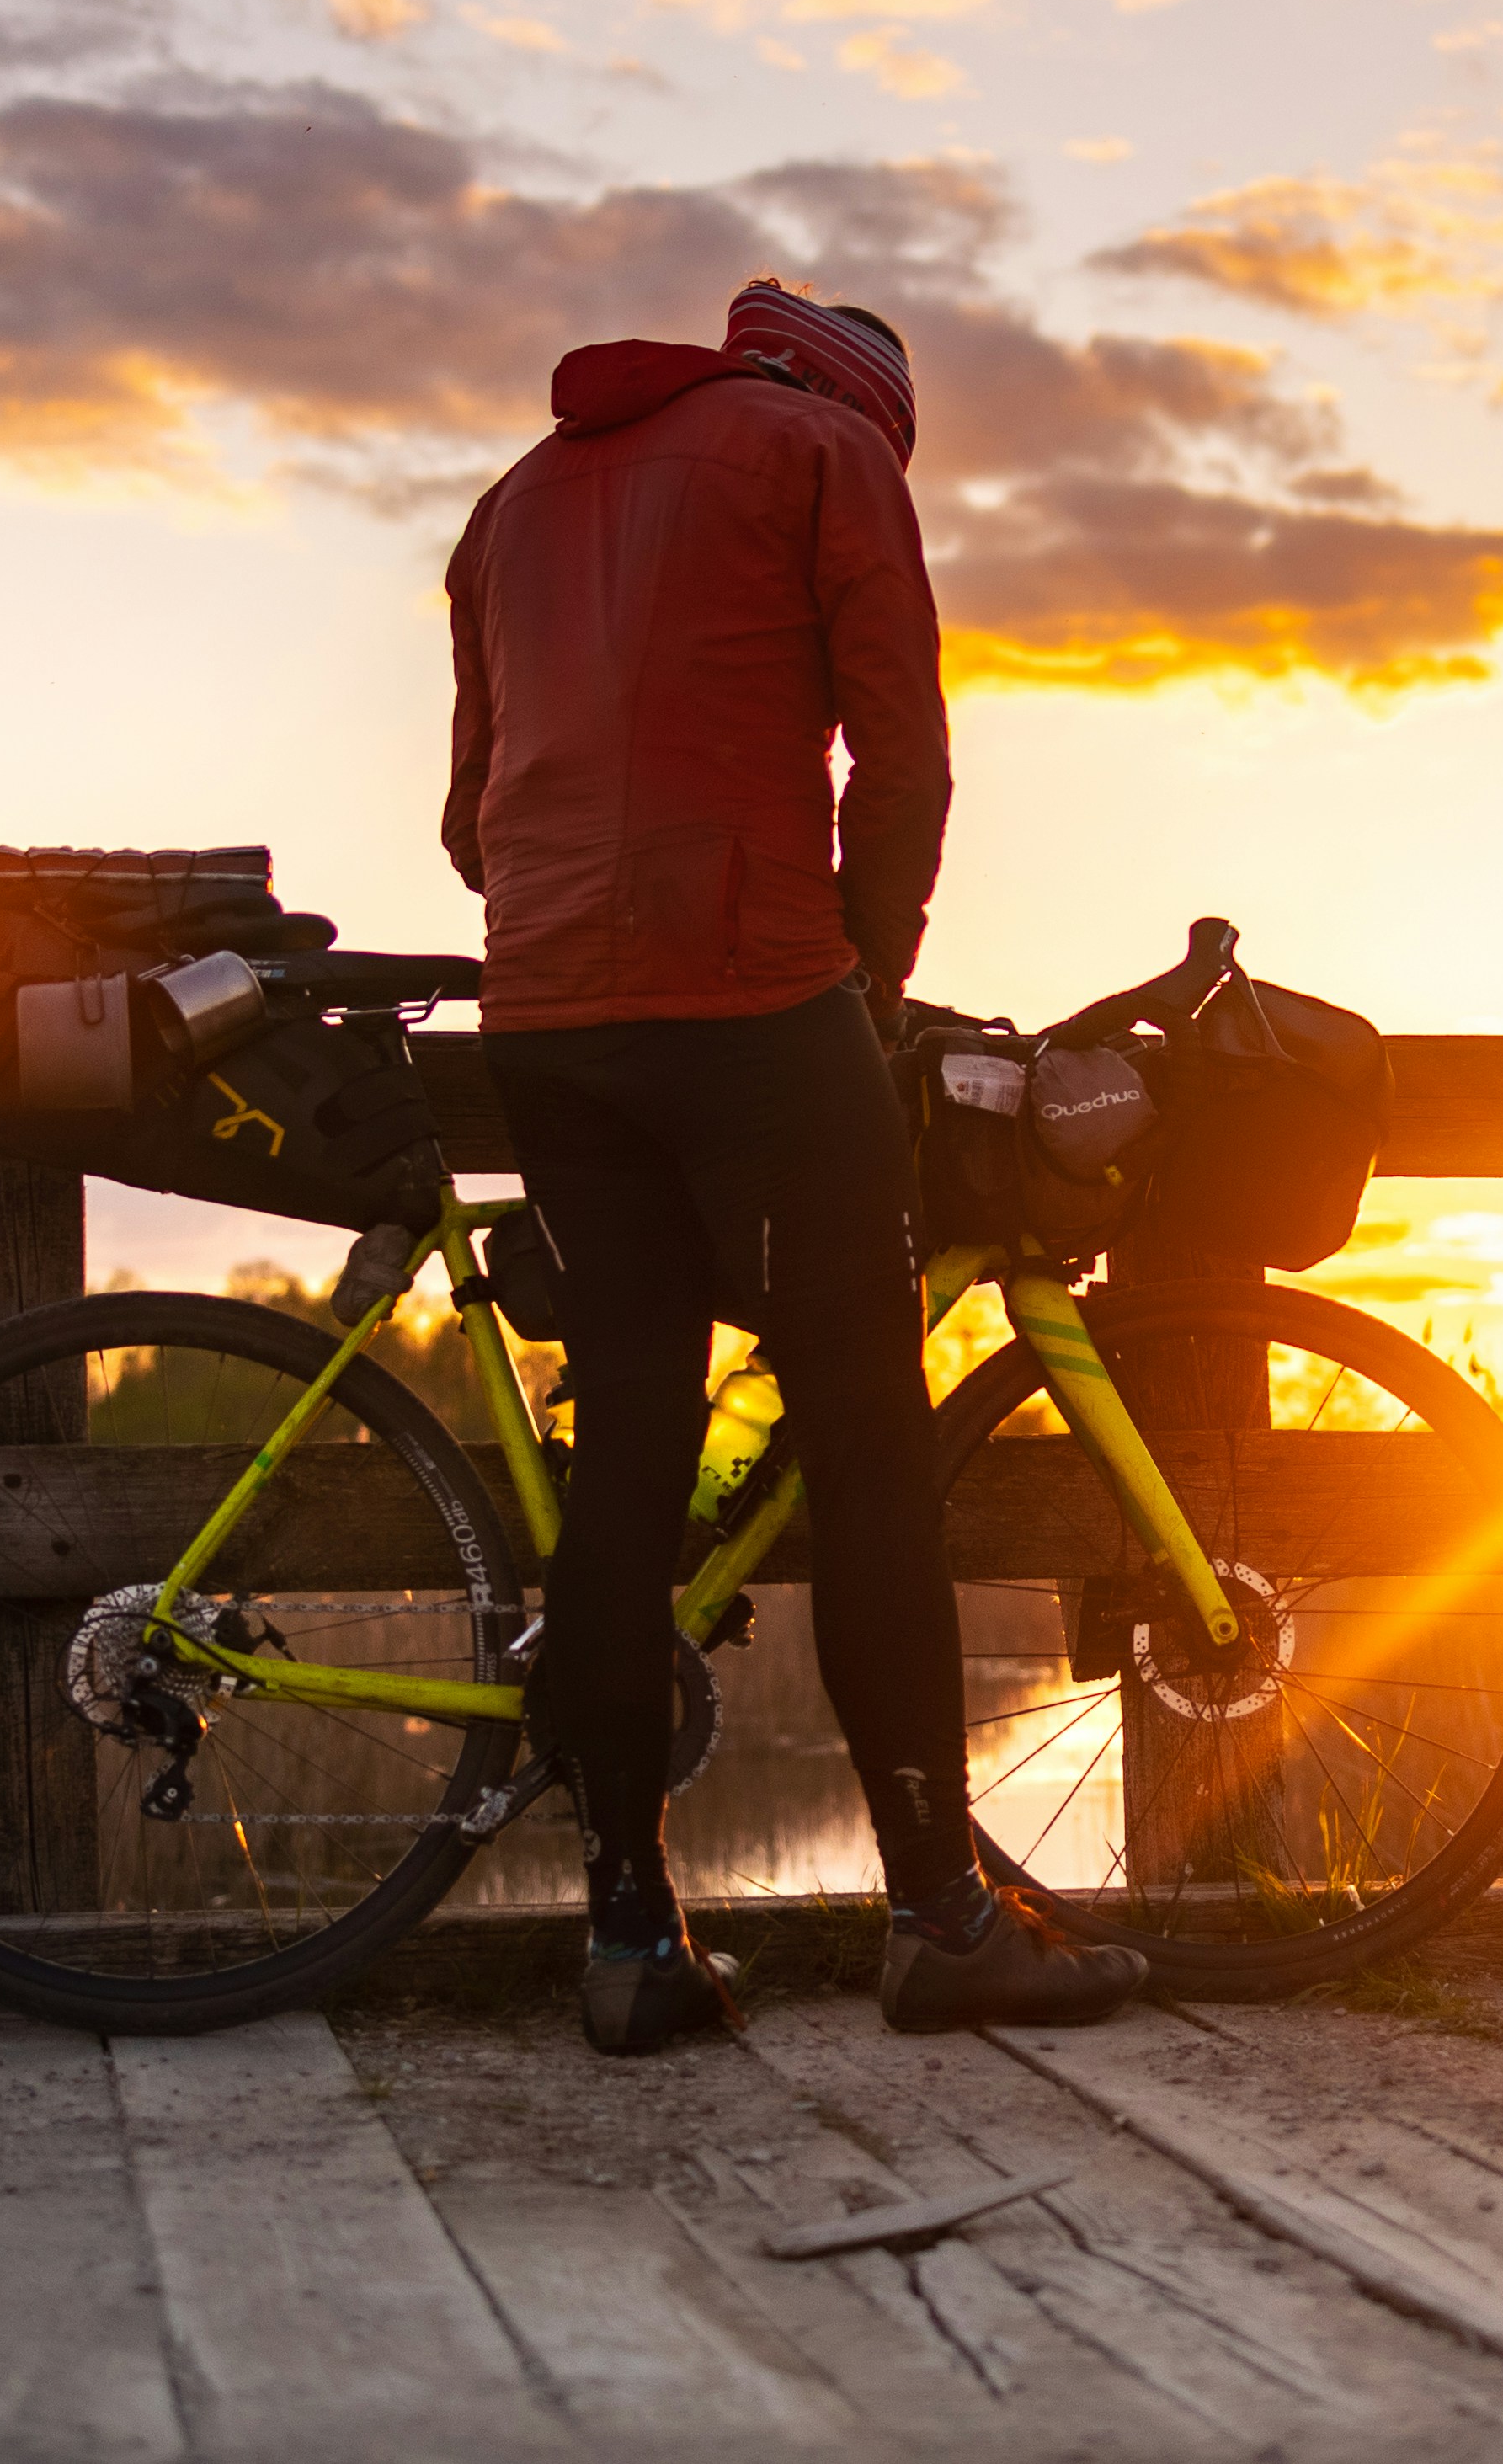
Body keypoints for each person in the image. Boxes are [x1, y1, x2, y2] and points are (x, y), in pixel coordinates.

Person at [443, 279, 1151, 2055]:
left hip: (544, 1016)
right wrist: (866, 977)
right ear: (871, 401)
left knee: (628, 1448)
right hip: (755, 993)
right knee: (866, 1440)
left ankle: (628, 1941)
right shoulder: (827, 450)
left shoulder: (513, 499)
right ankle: (938, 1915)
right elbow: (898, 753)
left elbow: (469, 819)